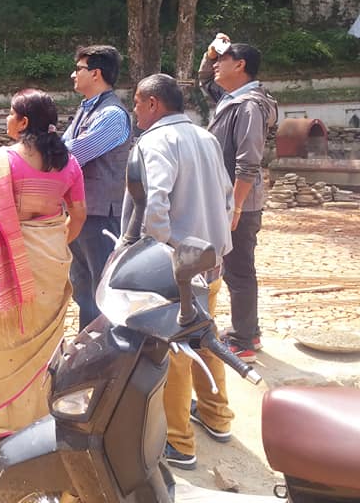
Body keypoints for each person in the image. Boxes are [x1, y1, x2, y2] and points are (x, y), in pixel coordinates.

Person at [123, 74, 235, 471]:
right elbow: (227, 197)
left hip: (177, 267)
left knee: (175, 350)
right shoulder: (206, 137)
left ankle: (178, 441)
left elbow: (156, 206)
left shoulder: (155, 141)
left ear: (153, 104)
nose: (135, 110)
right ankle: (217, 416)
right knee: (207, 337)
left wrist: (157, 254)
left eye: (137, 102)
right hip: (211, 259)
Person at [0, 90, 87, 439]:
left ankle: (3, 424)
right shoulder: (69, 163)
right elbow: (79, 214)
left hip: (7, 257)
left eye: (11, 113)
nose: (7, 119)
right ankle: (39, 415)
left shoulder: (0, 162)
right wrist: (56, 243)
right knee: (45, 339)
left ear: (22, 122)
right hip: (51, 257)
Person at [199, 35, 278, 362]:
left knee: (239, 270)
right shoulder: (233, 98)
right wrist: (210, 52)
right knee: (234, 268)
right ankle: (248, 330)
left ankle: (244, 340)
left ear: (240, 65)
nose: (216, 65)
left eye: (223, 60)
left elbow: (248, 162)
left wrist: (236, 205)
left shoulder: (248, 106)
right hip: (231, 200)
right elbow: (205, 81)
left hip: (239, 203)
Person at [62, 45, 131, 330]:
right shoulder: (87, 108)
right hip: (82, 212)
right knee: (82, 283)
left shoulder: (112, 114)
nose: (73, 75)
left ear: (96, 73)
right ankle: (88, 341)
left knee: (102, 285)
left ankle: (108, 344)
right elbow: (64, 146)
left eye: (78, 69)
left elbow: (74, 153)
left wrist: (42, 151)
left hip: (101, 214)